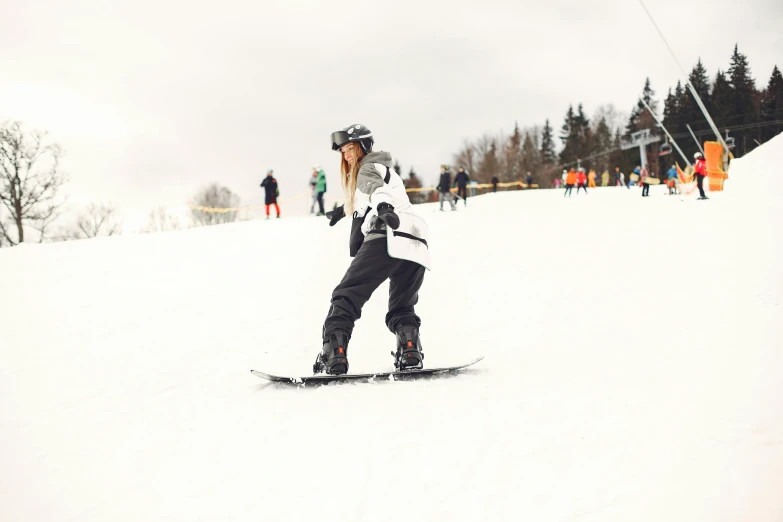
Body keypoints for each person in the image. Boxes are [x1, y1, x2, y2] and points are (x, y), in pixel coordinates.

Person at [315, 123, 429, 375]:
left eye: (349, 148)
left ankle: (334, 354)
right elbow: (366, 196)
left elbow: (376, 191)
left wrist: (385, 209)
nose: (346, 155)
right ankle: (409, 349)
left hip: (387, 235)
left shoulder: (367, 168)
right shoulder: (385, 169)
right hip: (415, 239)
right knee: (402, 305)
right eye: (342, 151)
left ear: (363, 146)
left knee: (346, 295)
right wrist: (341, 212)